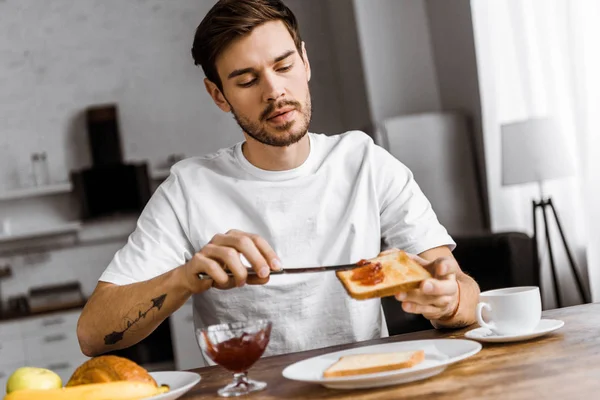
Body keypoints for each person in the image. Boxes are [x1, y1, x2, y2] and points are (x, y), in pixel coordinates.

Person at [76, 0, 479, 359]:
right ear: (219, 95)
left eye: (284, 66)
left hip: (359, 384)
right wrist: (183, 279)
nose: (275, 91)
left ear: (305, 62)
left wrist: (447, 301)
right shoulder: (188, 188)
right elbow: (93, 335)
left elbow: (460, 289)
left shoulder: (365, 162)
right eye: (247, 80)